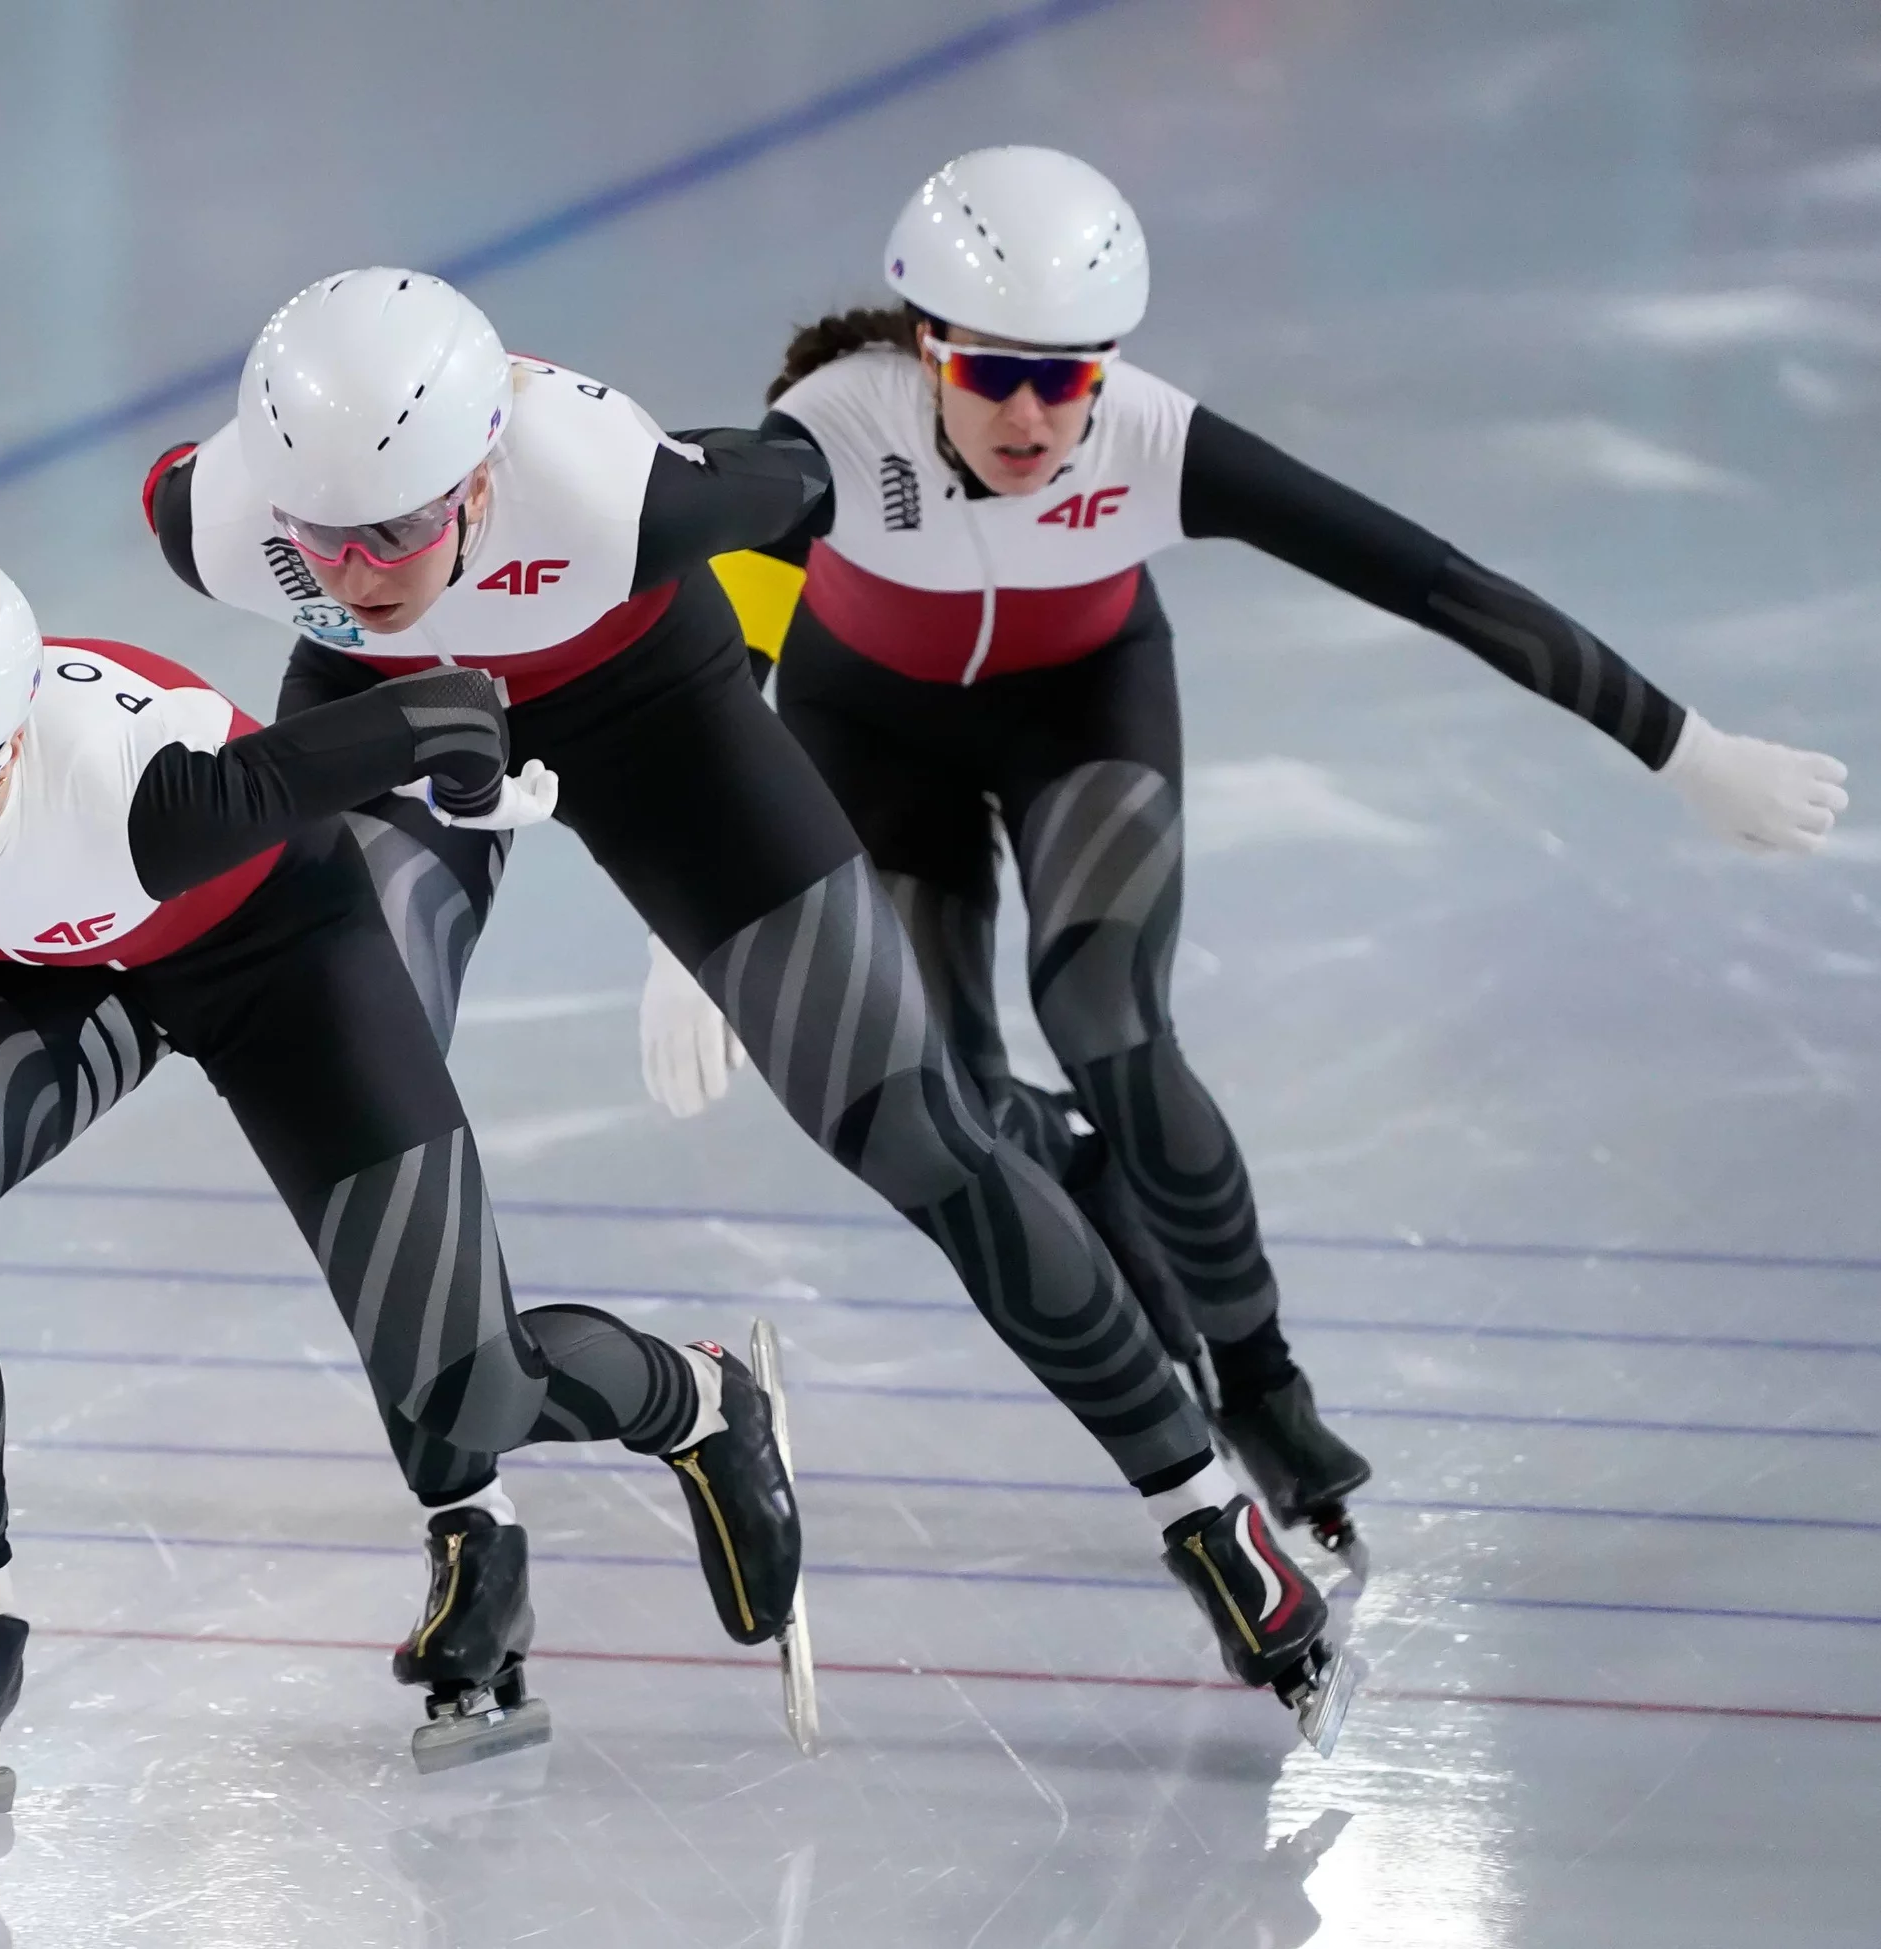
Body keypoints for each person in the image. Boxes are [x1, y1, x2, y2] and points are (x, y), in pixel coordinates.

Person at [144, 269, 1357, 1746]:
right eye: (319, 535)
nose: (352, 564)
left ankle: (1205, 1508)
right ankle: (474, 1526)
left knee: (922, 1132)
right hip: (394, 719)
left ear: (479, 474)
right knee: (361, 1125)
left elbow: (806, 492)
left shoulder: (606, 483)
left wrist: (693, 930)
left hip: (657, 719)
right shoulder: (215, 518)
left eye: (396, 526)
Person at [668, 144, 1850, 1556]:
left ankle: (1265, 1382)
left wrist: (1687, 747)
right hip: (873, 741)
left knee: (1106, 1013)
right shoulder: (840, 429)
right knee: (964, 1109)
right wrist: (708, 915)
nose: (1036, 417)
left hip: (1079, 716)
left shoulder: (1155, 441)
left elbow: (1436, 581)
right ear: (930, 349)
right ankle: (1093, 1177)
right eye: (995, 374)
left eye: (1072, 373)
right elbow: (688, 582)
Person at [0, 537, 802, 1821]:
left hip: (275, 952)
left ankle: (692, 1402)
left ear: (10, 750)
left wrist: (480, 790)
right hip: (43, 961)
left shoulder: (163, 797)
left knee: (466, 1382)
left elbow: (446, 706)